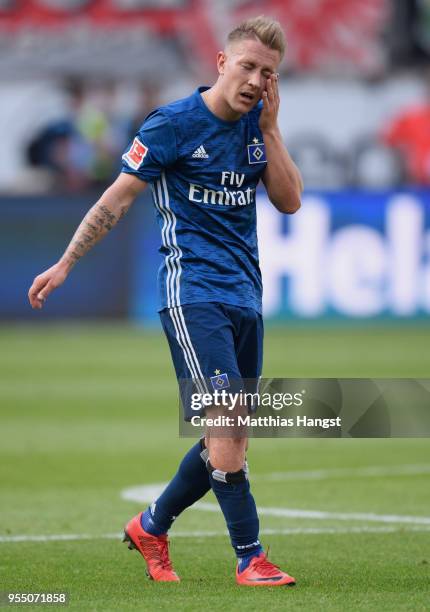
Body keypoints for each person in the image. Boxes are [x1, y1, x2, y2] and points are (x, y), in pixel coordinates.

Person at [28, 15, 303, 587]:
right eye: (248, 66)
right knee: (226, 425)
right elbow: (118, 198)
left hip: (244, 294)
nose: (256, 79)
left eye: (268, 73)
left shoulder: (260, 125)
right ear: (223, 63)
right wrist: (66, 262)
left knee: (227, 438)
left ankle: (152, 524)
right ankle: (250, 558)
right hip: (191, 293)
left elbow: (290, 201)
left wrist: (273, 131)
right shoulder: (172, 125)